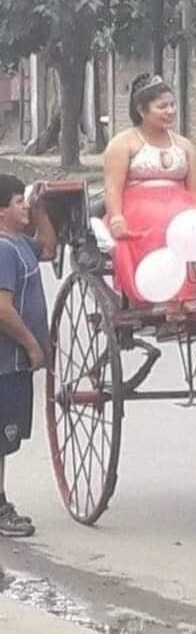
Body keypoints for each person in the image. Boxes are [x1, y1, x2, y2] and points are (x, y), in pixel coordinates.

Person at [103, 73, 196, 303]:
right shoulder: (123, 144)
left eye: (172, 105)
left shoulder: (185, 146)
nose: (170, 111)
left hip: (181, 204)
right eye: (162, 107)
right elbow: (112, 188)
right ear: (142, 110)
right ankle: (164, 295)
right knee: (162, 226)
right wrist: (117, 218)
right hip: (136, 207)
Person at [0, 175, 56, 536]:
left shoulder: (20, 243)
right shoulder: (3, 250)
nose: (24, 205)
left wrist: (40, 208)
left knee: (5, 440)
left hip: (14, 364)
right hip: (5, 363)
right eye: (19, 201)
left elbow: (49, 248)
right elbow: (2, 308)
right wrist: (32, 344)